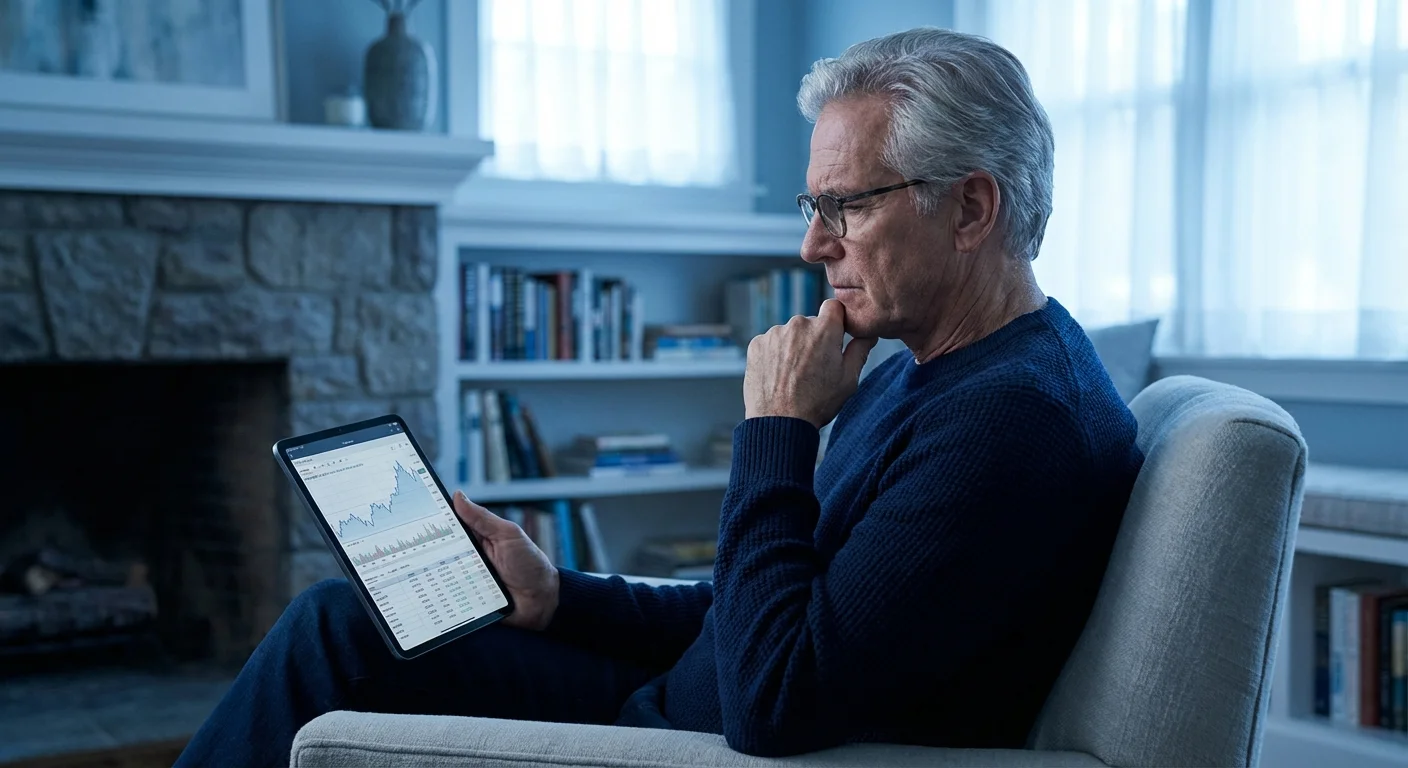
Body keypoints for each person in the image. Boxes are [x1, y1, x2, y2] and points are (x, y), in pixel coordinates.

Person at [176, 26, 1143, 767]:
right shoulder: (937, 372)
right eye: (816, 209)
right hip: (675, 697)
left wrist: (776, 431)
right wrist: (560, 598)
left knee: (328, 638)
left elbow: (776, 698)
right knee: (342, 620)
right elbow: (751, 609)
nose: (814, 246)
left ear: (972, 208)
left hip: (684, 745)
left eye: (846, 206)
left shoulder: (1011, 422)